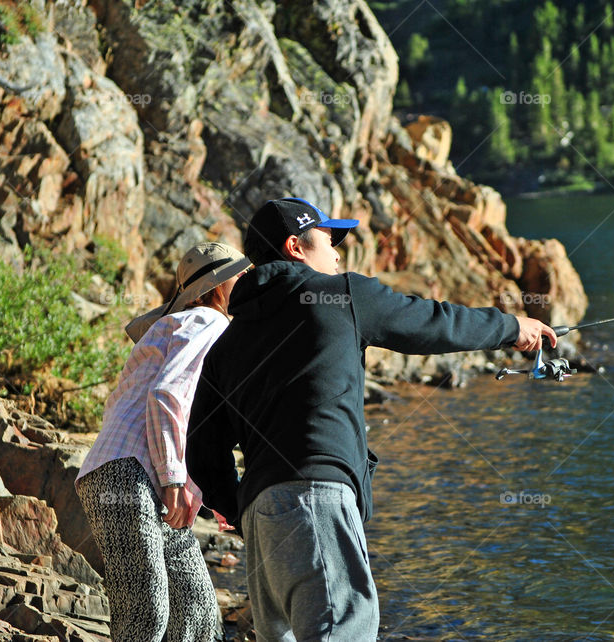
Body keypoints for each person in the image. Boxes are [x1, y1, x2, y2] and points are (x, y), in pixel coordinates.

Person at [185, 197, 556, 641]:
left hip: (261, 519)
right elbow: (431, 323)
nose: (337, 253)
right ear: (295, 247)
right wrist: (511, 328)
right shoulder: (343, 295)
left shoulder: (228, 343)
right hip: (318, 500)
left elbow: (202, 451)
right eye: (329, 240)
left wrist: (242, 510)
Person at [75, 241, 251, 642]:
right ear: (214, 288)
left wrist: (201, 491)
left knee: (197, 612)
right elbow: (167, 394)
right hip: (130, 474)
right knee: (146, 615)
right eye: (239, 274)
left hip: (129, 472)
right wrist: (174, 480)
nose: (248, 278)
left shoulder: (181, 324)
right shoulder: (209, 321)